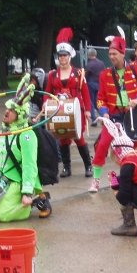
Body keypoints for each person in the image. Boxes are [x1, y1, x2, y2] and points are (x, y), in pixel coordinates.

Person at [0, 74, 46, 222]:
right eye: (7, 109)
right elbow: (2, 151)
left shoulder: (27, 136)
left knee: (3, 216)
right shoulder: (6, 128)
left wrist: (27, 192)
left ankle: (33, 202)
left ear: (19, 115)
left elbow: (29, 166)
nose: (6, 112)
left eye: (10, 111)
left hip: (17, 179)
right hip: (4, 172)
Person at [89, 32, 137, 193]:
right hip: (113, 117)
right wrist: (104, 112)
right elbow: (100, 99)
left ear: (122, 53)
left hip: (134, 115)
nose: (111, 57)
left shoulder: (136, 68)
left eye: (114, 54)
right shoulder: (105, 74)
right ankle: (96, 180)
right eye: (110, 54)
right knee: (103, 145)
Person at [40, 27, 93, 178]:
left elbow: (85, 93)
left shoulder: (78, 73)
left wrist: (88, 110)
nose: (62, 58)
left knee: (78, 137)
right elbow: (47, 92)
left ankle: (88, 166)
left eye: (65, 55)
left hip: (76, 110)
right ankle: (67, 168)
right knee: (63, 139)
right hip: (58, 111)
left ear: (70, 56)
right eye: (60, 55)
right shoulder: (52, 75)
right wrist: (45, 104)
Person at [85, 48, 105, 124]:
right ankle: (103, 115)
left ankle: (94, 120)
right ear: (95, 54)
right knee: (98, 102)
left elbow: (86, 75)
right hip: (99, 84)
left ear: (89, 55)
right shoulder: (101, 63)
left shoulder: (89, 64)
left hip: (91, 84)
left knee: (91, 102)